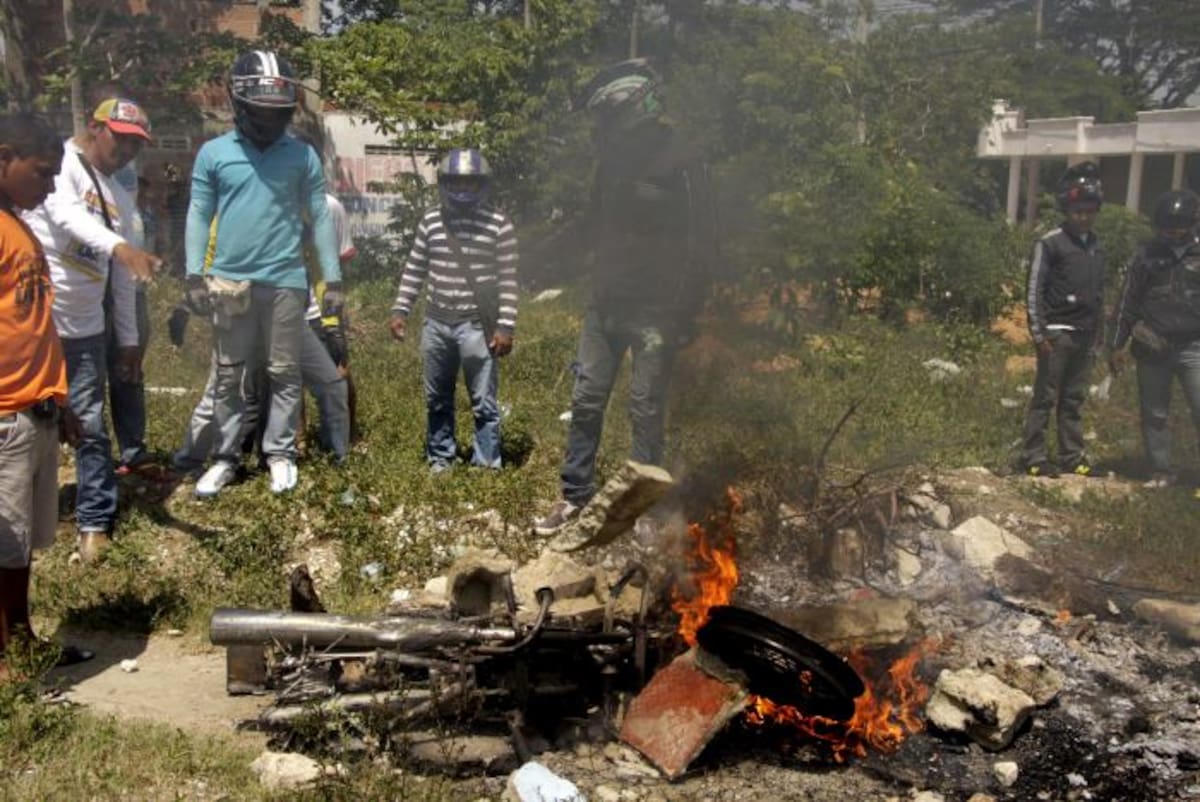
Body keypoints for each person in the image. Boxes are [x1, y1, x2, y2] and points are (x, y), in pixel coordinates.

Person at [533, 59, 716, 534]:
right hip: (606, 304)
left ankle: (644, 509)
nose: (602, 131)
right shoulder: (611, 164)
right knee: (587, 399)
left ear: (630, 110)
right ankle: (575, 498)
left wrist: (687, 308)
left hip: (658, 310)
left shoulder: (683, 160)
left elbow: (703, 240)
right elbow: (591, 225)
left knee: (645, 407)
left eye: (606, 120)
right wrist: (537, 257)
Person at [185, 50, 342, 497]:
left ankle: (280, 453)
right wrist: (194, 274)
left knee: (283, 372)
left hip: (286, 282)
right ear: (239, 103)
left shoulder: (302, 156)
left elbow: (319, 215)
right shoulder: (214, 154)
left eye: (279, 113)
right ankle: (225, 457)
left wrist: (333, 281)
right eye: (261, 112)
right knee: (230, 374)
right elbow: (198, 213)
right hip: (229, 282)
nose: (271, 122)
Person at [23, 97, 162, 561]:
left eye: (134, 145)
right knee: (21, 422)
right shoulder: (61, 165)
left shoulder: (120, 197)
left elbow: (124, 281)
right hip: (36, 321)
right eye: (119, 139)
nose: (126, 151)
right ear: (94, 128)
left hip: (85, 329)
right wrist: (120, 246)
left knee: (89, 425)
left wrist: (126, 341)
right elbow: (64, 215)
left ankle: (94, 521)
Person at [0, 111, 91, 678]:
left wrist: (61, 399)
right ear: (3, 158)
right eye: (42, 172)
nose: (52, 186)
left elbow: (34, 324)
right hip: (4, 415)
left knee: (21, 545)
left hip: (37, 410)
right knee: (1, 542)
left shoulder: (20, 226)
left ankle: (22, 641)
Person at [388, 148, 518, 472]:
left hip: (476, 325)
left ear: (482, 185)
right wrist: (401, 310)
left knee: (484, 403)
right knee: (437, 399)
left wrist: (505, 327)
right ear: (445, 183)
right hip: (436, 322)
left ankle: (486, 464)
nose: (463, 190)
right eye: (456, 182)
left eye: (470, 183)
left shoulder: (499, 225)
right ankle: (440, 459)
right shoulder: (431, 221)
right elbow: (415, 269)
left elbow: (508, 281)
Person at [1108, 189, 1200, 493]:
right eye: (1167, 227)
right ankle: (1161, 470)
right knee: (1155, 412)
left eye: (1179, 226)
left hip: (1193, 347)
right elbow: (1128, 301)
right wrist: (1116, 344)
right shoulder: (1146, 255)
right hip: (1153, 345)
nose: (1173, 232)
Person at [1019, 161, 1105, 479]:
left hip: (1085, 335)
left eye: (1089, 211)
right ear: (1066, 210)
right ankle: (1034, 456)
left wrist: (1099, 334)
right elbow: (1034, 288)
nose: (1083, 217)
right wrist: (1039, 333)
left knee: (1073, 400)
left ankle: (1072, 456)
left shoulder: (1097, 245)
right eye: (1077, 211)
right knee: (1045, 397)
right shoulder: (1050, 242)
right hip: (1056, 334)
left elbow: (1099, 294)